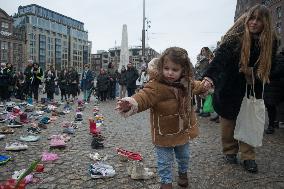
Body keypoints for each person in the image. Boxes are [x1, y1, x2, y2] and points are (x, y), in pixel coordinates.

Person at [201, 5, 278, 173]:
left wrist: (253, 72)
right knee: (228, 123)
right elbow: (220, 59)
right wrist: (208, 77)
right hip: (229, 86)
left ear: (265, 21)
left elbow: (270, 67)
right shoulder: (235, 38)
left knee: (249, 122)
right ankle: (229, 151)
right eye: (252, 18)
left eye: (259, 19)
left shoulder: (271, 41)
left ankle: (248, 156)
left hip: (251, 89)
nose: (255, 22)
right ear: (247, 18)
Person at [116, 47, 206, 189]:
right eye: (166, 68)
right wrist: (131, 102)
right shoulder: (156, 85)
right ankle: (166, 182)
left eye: (175, 70)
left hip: (183, 129)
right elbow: (144, 96)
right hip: (163, 131)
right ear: (161, 67)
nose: (170, 73)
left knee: (184, 156)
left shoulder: (186, 83)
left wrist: (205, 86)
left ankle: (183, 173)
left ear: (183, 70)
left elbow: (197, 86)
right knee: (164, 161)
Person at [264, 50, 284, 134]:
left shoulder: (277, 58)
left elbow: (276, 72)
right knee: (273, 106)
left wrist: (267, 75)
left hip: (273, 86)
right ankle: (273, 124)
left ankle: (272, 124)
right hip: (275, 86)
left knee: (271, 106)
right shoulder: (279, 58)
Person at [195, 47, 213, 117]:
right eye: (202, 51)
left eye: (204, 50)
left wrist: (204, 77)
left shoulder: (208, 59)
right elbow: (198, 69)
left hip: (206, 78)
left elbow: (207, 69)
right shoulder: (200, 60)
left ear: (207, 51)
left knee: (207, 95)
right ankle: (203, 109)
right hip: (199, 78)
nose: (203, 52)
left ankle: (207, 111)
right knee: (201, 95)